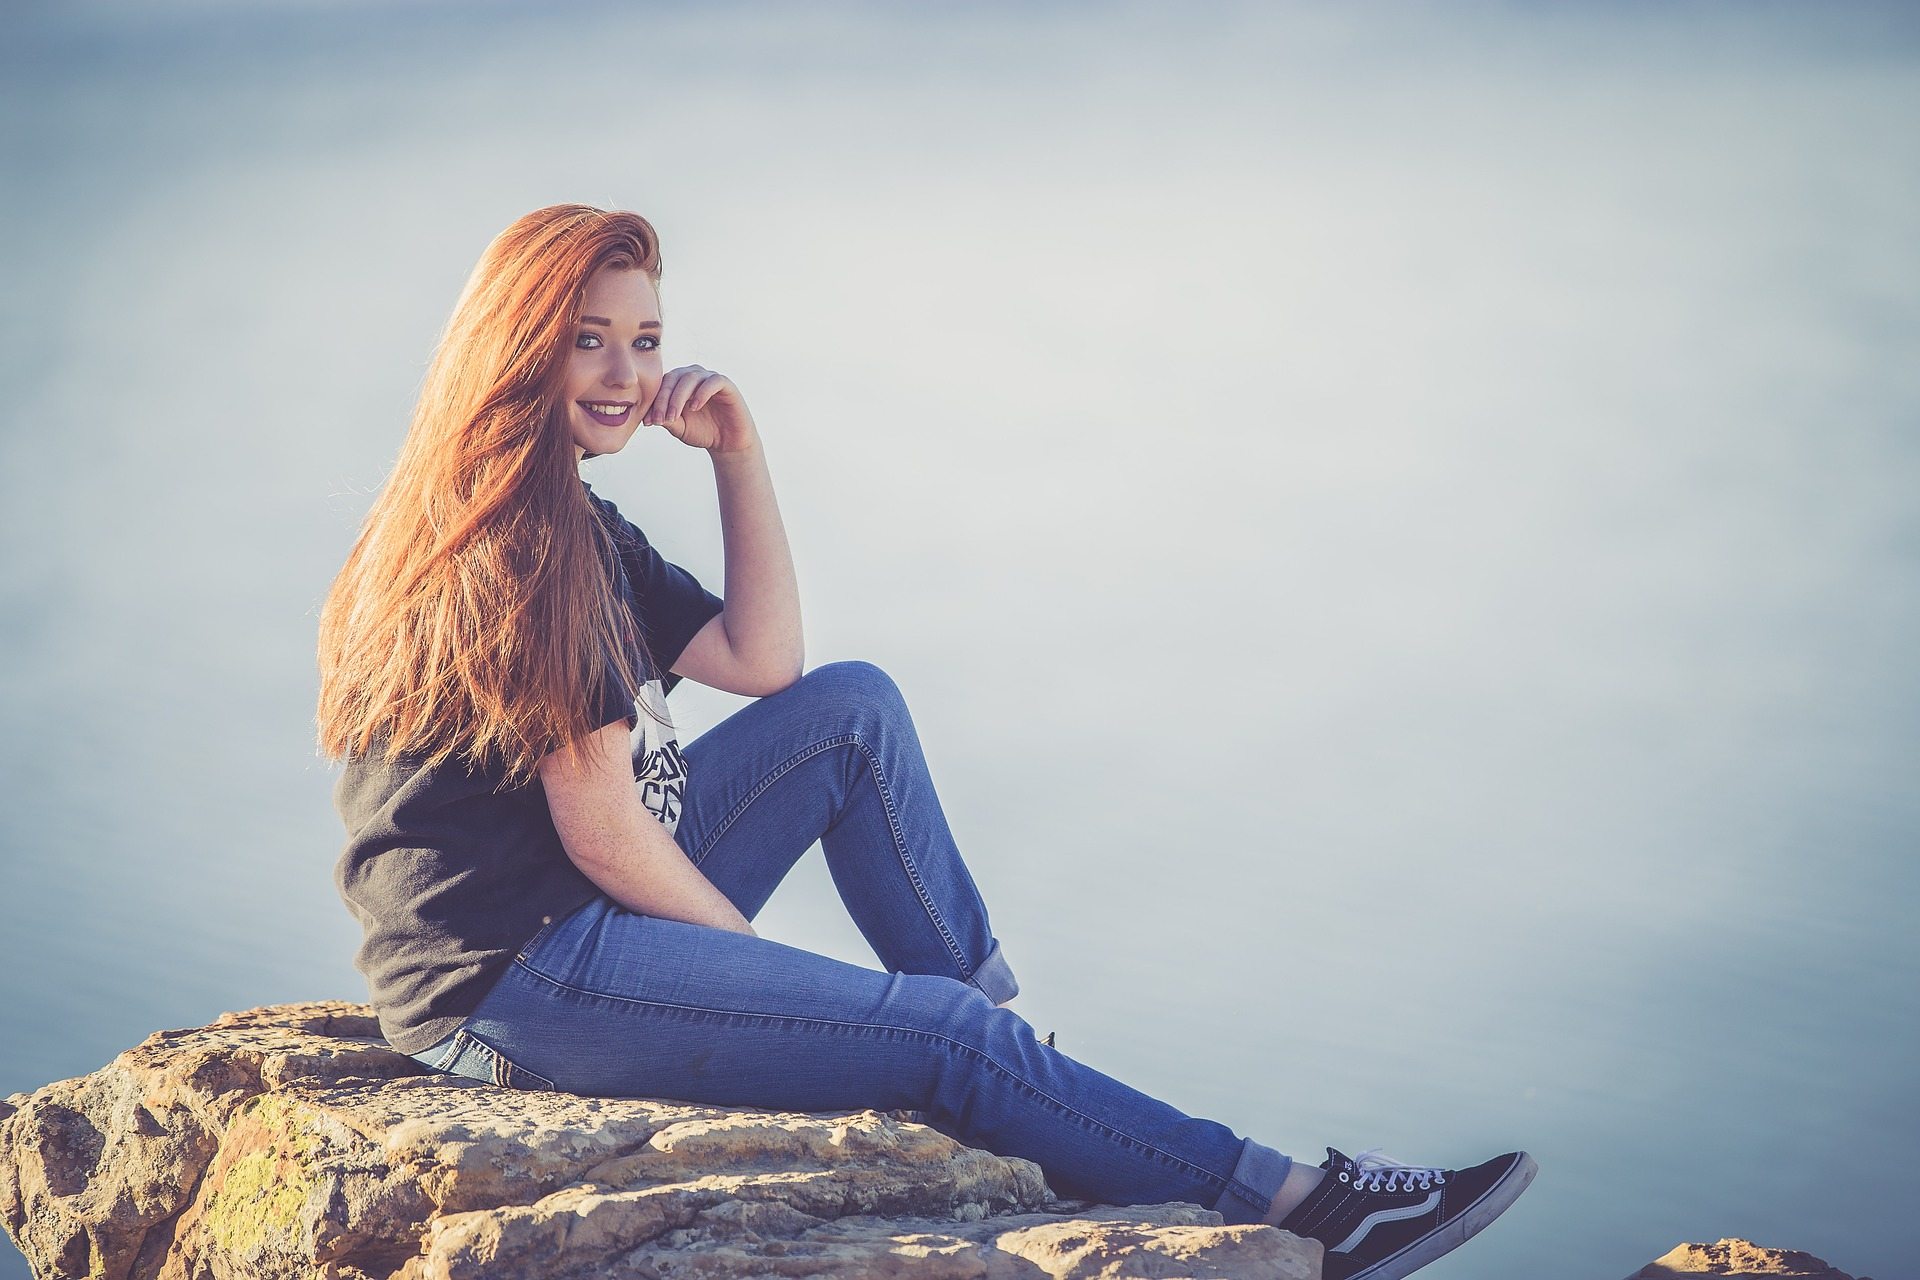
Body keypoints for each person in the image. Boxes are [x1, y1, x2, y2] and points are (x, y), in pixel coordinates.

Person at [314, 203, 1536, 1280]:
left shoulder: (564, 507)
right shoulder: (520, 541)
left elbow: (764, 663)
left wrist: (743, 452)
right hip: (514, 977)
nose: (629, 371)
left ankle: (1015, 1065)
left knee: (854, 711)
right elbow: (604, 830)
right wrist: (792, 990)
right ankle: (1301, 1209)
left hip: (576, 914)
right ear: (518, 341)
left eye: (645, 337)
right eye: (591, 336)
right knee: (927, 1035)